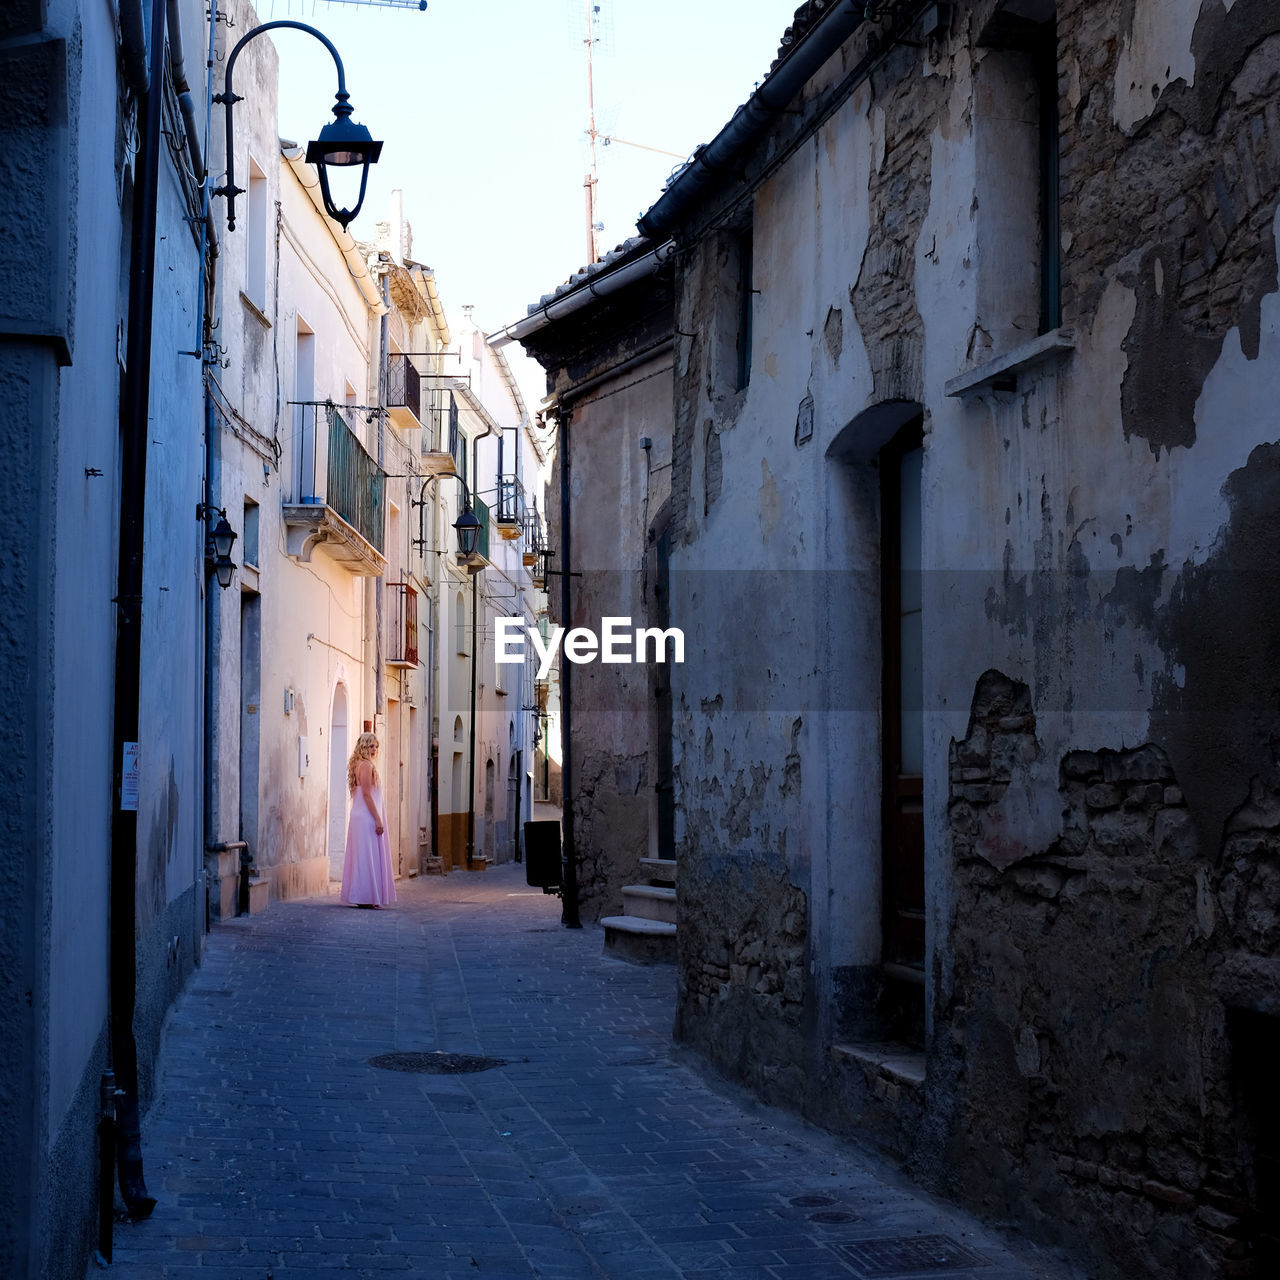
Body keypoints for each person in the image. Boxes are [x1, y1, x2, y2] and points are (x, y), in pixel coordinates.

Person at [341, 731, 396, 908]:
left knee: (364, 857)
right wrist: (378, 819)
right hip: (366, 817)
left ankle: (365, 896)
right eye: (371, 746)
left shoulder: (360, 764)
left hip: (361, 815)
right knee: (368, 857)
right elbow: (366, 794)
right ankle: (365, 897)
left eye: (376, 746)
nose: (374, 749)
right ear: (364, 746)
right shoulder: (365, 766)